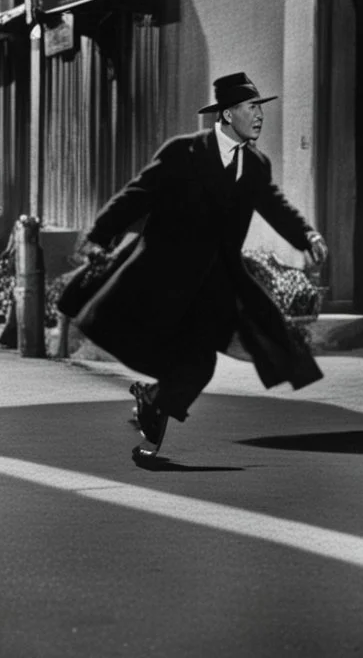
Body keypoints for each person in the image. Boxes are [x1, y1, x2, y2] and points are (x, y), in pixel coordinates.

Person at [57, 72, 329, 463]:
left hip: (214, 287)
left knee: (199, 364)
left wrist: (308, 236)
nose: (259, 116)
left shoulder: (254, 165)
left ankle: (152, 405)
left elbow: (275, 206)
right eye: (251, 108)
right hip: (160, 278)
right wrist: (99, 235)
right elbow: (136, 196)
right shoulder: (182, 153)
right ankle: (153, 404)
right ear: (227, 114)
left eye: (259, 108)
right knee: (175, 357)